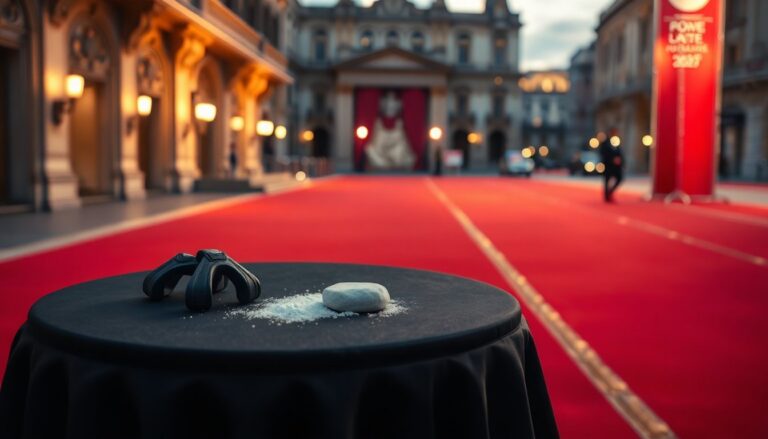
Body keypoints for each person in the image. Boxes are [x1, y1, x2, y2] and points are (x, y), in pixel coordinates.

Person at [599, 128, 624, 202]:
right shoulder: (605, 143)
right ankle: (607, 197)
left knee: (619, 178)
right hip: (608, 165)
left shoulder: (616, 142)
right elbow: (603, 154)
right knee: (607, 180)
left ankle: (610, 192)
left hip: (616, 166)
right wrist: (612, 160)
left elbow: (620, 153)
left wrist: (621, 161)